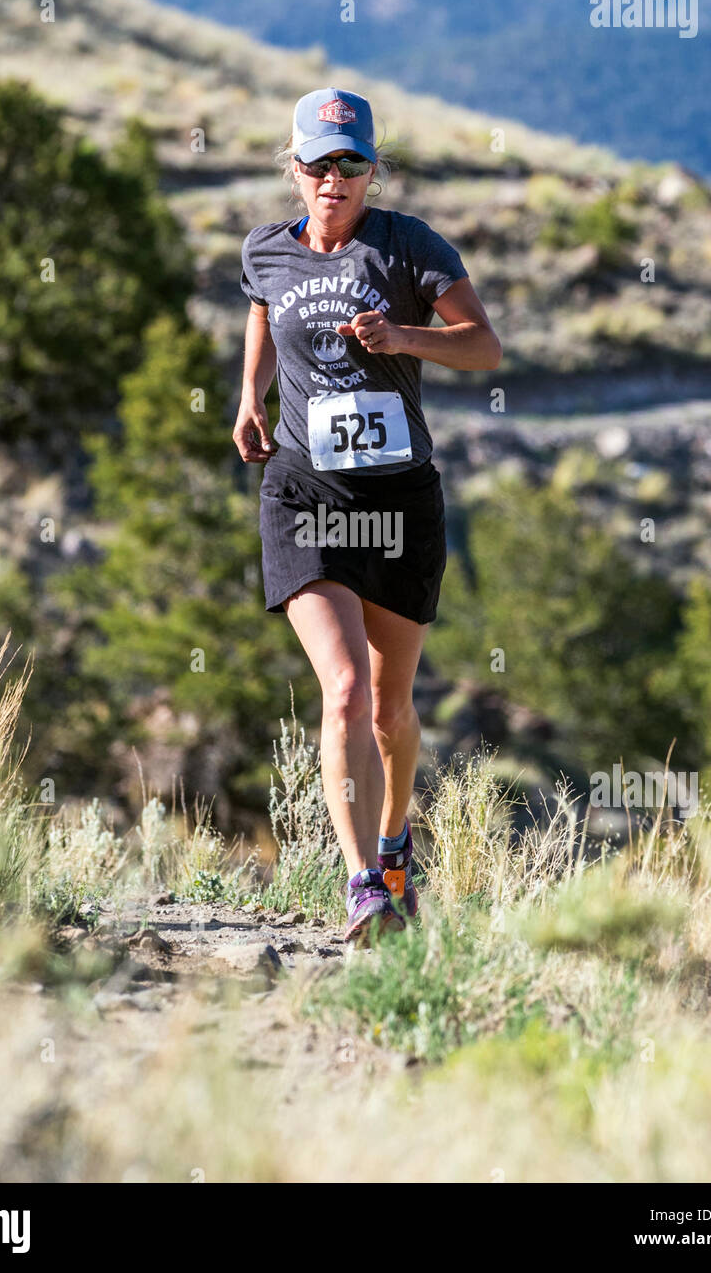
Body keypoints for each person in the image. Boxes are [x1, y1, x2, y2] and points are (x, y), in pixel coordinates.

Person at [235, 87, 501, 942]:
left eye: (350, 165)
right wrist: (250, 396)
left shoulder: (409, 246)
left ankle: (394, 844)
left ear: (372, 172)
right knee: (344, 689)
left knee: (390, 708)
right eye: (317, 164)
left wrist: (404, 339)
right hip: (306, 496)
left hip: (399, 502)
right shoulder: (268, 252)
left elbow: (484, 346)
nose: (332, 180)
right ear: (295, 168)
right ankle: (361, 886)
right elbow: (263, 315)